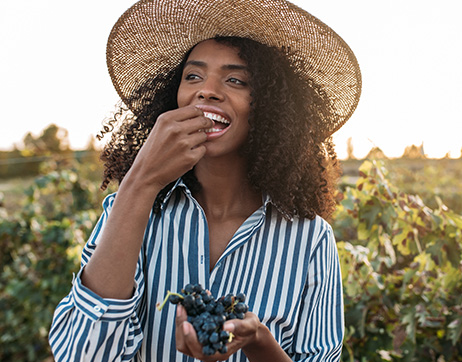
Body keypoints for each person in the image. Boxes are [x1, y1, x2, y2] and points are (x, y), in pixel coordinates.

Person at [48, 0, 361, 361]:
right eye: (193, 76)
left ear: (273, 107)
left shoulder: (309, 238)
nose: (206, 90)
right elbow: (80, 356)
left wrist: (259, 340)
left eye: (235, 80)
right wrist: (139, 182)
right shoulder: (131, 213)